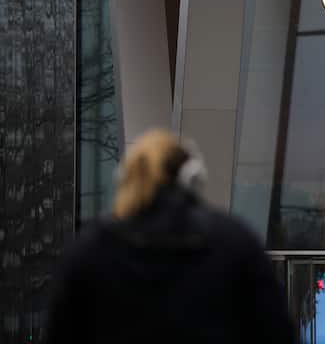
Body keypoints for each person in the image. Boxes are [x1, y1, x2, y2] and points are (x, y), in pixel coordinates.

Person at [46, 130, 296, 344]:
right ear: (193, 178)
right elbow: (276, 332)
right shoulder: (235, 241)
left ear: (125, 180)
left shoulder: (91, 249)